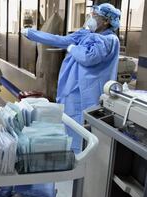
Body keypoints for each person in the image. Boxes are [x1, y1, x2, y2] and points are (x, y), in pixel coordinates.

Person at [21, 3, 121, 152]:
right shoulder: (86, 34)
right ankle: (71, 159)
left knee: (83, 131)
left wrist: (73, 48)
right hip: (72, 90)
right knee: (69, 126)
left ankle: (80, 165)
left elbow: (89, 57)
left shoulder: (109, 40)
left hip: (88, 94)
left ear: (106, 21)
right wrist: (32, 33)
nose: (90, 18)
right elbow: (59, 40)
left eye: (94, 16)